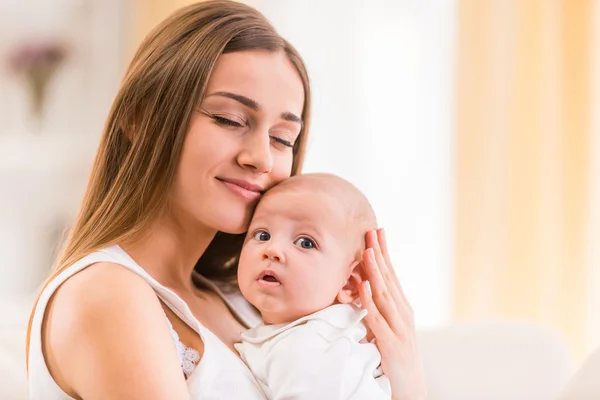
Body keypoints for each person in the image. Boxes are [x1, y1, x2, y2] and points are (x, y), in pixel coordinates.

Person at [26, 1, 427, 399]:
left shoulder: (249, 301)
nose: (261, 157)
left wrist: (404, 374)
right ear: (141, 118)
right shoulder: (107, 295)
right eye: (230, 120)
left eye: (282, 138)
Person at [235, 173, 391, 399]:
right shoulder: (310, 334)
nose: (272, 250)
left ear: (349, 282)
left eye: (305, 243)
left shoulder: (309, 345)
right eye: (262, 234)